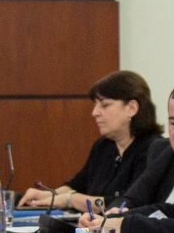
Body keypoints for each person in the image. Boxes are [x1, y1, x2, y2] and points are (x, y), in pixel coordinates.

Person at [78, 80, 174, 233]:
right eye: (173, 123)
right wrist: (108, 217)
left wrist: (125, 225)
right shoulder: (162, 151)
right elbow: (131, 199)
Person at [19, 69, 164, 210]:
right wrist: (48, 195)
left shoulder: (155, 150)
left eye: (105, 105)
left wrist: (70, 200)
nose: (95, 113)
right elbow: (77, 185)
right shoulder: (103, 146)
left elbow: (126, 203)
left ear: (131, 108)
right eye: (95, 105)